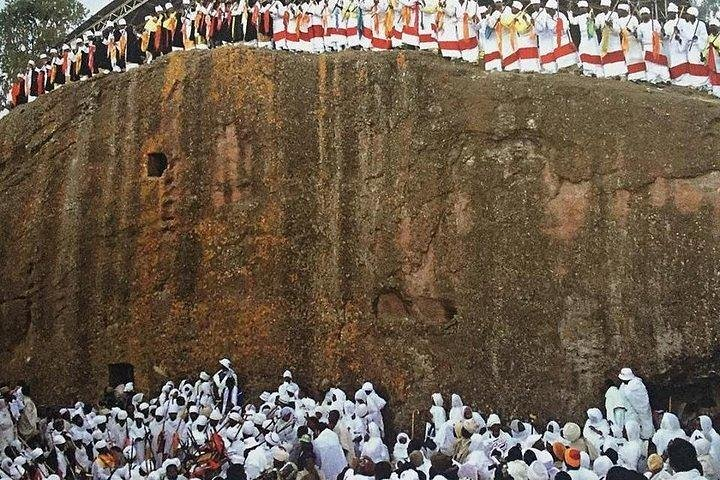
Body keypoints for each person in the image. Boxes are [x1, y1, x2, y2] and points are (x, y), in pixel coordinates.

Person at [569, 0, 603, 76]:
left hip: (591, 38)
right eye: (580, 8)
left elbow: (597, 26)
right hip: (583, 38)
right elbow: (572, 21)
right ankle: (587, 71)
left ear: (586, 8)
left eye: (583, 8)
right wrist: (569, 12)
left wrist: (593, 19)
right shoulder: (579, 17)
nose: (581, 9)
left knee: (593, 52)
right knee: (582, 51)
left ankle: (596, 71)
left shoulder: (590, 15)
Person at [637, 7, 669, 83]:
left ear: (649, 14)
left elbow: (660, 33)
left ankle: (665, 79)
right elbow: (639, 39)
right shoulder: (640, 26)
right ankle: (652, 79)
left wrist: (656, 34)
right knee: (650, 64)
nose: (644, 16)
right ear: (641, 16)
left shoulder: (655, 22)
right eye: (642, 14)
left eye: (646, 14)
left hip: (657, 45)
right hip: (647, 46)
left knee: (660, 63)